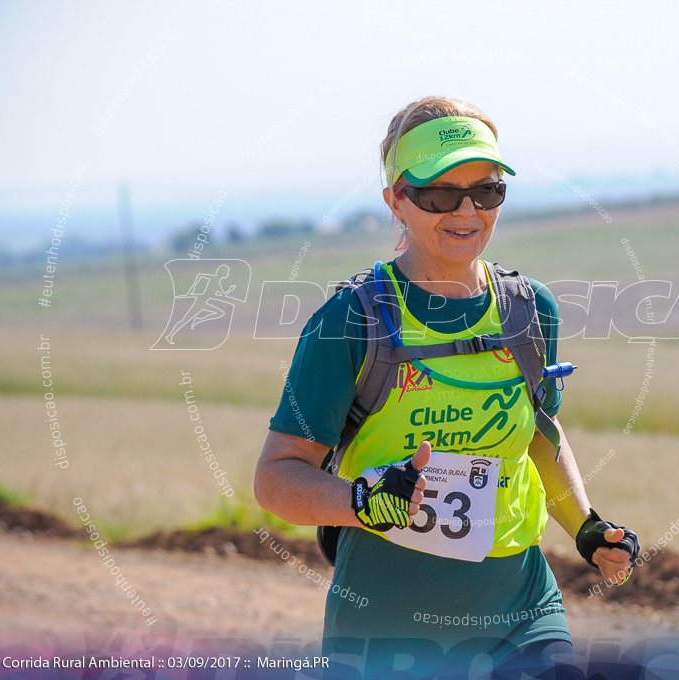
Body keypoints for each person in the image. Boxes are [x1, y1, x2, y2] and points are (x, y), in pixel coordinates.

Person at [254, 96, 640, 679]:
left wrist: (585, 526)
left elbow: (539, 433)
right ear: (396, 200)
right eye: (439, 195)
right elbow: (277, 477)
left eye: (486, 191)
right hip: (386, 617)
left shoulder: (530, 310)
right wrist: (362, 500)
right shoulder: (350, 321)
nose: (467, 211)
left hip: (521, 608)